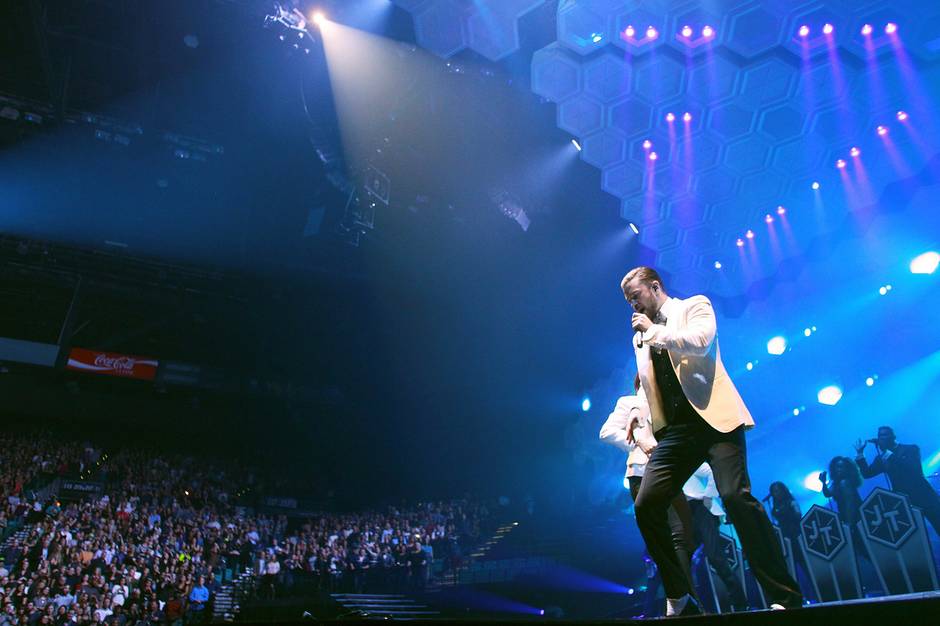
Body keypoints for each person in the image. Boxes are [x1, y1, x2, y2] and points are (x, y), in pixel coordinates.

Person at [621, 266, 802, 615]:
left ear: (655, 287)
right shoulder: (640, 337)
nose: (633, 306)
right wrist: (636, 410)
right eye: (628, 301)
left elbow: (701, 342)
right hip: (675, 432)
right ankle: (680, 595)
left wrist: (655, 332)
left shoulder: (694, 307)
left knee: (736, 497)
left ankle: (785, 596)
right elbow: (650, 380)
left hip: (715, 422)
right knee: (646, 505)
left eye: (636, 297)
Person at [600, 376, 697, 616]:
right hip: (642, 472)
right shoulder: (628, 402)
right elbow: (606, 432)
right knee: (661, 540)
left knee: (682, 539)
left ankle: (685, 600)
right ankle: (681, 600)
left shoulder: (670, 402)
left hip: (671, 474)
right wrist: (639, 443)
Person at [683, 463, 749, 611]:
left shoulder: (684, 458)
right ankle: (692, 607)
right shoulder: (661, 466)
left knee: (715, 557)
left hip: (701, 509)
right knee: (683, 560)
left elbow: (712, 471)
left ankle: (739, 601)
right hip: (684, 515)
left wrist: (708, 495)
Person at [855, 426, 940, 536]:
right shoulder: (881, 458)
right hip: (904, 500)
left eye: (884, 435)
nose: (881, 438)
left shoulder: (911, 449)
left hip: (925, 497)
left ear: (893, 436)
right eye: (879, 435)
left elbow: (913, 469)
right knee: (913, 534)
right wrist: (860, 454)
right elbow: (867, 474)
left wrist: (889, 455)